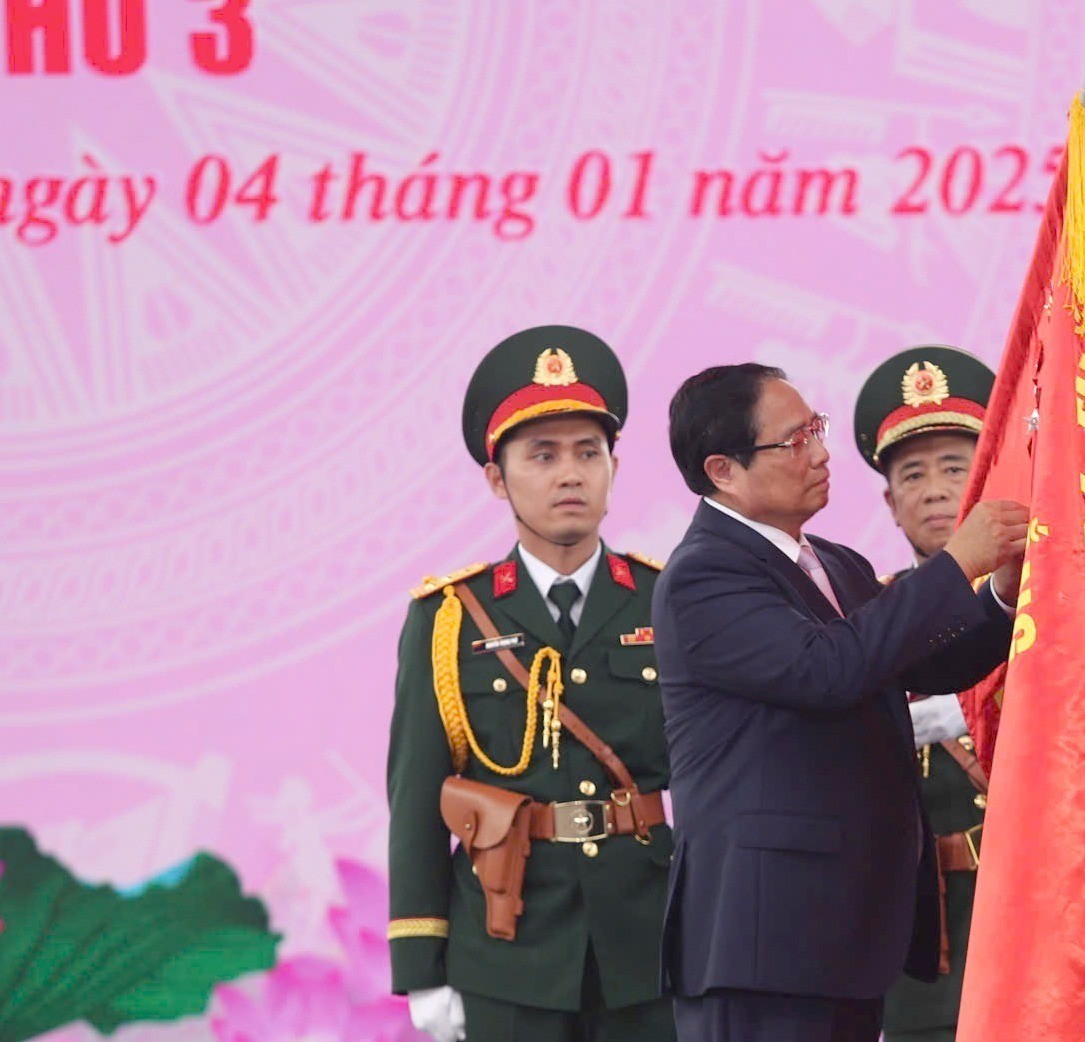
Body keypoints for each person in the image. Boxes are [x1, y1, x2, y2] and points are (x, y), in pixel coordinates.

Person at [651, 363, 1029, 1042]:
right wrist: (955, 565)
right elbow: (825, 671)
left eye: (816, 430)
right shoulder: (703, 575)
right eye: (795, 441)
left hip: (842, 933)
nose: (822, 454)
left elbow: (928, 660)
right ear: (724, 471)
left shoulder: (834, 563)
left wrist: (1000, 591)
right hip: (763, 943)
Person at [849, 345, 1085, 1041]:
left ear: (993, 474)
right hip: (933, 925)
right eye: (914, 473)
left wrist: (968, 707)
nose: (936, 489)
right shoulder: (869, 616)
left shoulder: (1055, 573)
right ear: (890, 502)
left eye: (955, 466)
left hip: (1057, 897)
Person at [386, 326, 676, 1042]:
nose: (569, 475)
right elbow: (417, 798)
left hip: (649, 945)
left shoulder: (666, 600)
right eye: (542, 456)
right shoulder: (451, 618)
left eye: (587, 453)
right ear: (497, 477)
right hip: (506, 952)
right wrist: (422, 964)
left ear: (613, 465)